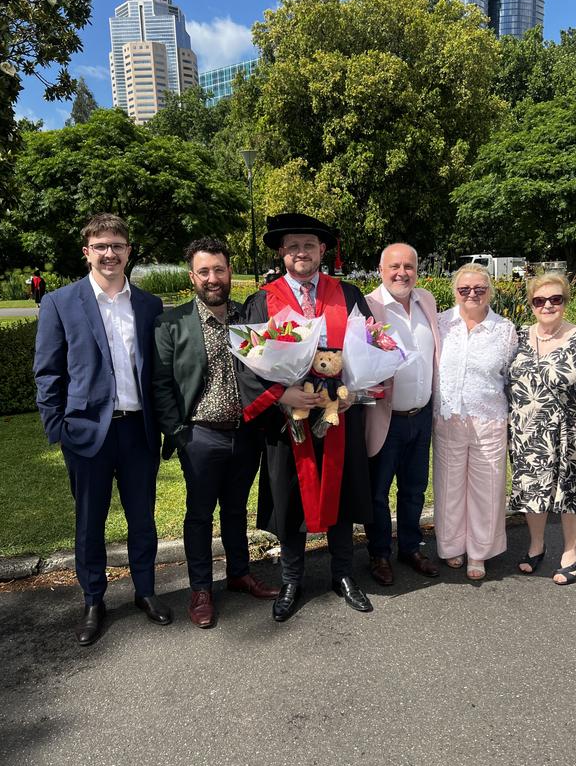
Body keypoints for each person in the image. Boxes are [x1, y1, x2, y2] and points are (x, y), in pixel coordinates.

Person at [33, 213, 171, 646]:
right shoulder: (60, 302)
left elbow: (158, 371)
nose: (109, 253)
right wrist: (58, 428)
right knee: (89, 523)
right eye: (101, 246)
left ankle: (145, 592)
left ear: (129, 251)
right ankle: (94, 600)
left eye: (117, 245)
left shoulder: (148, 305)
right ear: (87, 252)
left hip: (137, 433)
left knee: (142, 520)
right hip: (86, 434)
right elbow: (47, 373)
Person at [237, 212, 374, 622]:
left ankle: (344, 575)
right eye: (294, 246)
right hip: (287, 420)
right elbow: (247, 365)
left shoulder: (346, 293)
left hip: (337, 416)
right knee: (290, 497)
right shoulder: (263, 299)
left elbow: (367, 346)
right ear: (282, 252)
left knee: (342, 489)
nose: (302, 253)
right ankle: (292, 578)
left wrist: (355, 391)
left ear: (322, 251)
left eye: (309, 246)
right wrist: (282, 394)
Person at [152, 238, 279, 629]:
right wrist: (179, 434)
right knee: (200, 515)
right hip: (200, 437)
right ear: (192, 276)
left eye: (219, 270)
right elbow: (160, 385)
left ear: (229, 272)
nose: (212, 278)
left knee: (236, 509)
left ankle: (239, 573)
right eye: (204, 271)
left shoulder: (248, 318)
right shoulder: (172, 323)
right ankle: (201, 589)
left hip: (245, 434)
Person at [508, 272, 576, 585]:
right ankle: (536, 545)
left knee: (570, 492)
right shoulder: (518, 336)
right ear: (531, 304)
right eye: (540, 300)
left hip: (569, 432)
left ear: (565, 301)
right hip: (526, 433)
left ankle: (570, 552)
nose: (547, 305)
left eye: (555, 299)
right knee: (532, 491)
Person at [363, 243, 441, 586]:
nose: (402, 273)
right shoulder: (368, 306)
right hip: (386, 418)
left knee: (414, 489)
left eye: (409, 266)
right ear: (381, 270)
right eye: (394, 266)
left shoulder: (426, 301)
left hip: (420, 416)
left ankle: (410, 546)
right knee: (378, 493)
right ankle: (379, 554)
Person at [433, 264, 517, 580]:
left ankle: (480, 552)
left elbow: (511, 375)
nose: (472, 294)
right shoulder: (441, 323)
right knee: (449, 486)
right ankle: (451, 546)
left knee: (487, 487)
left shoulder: (504, 329)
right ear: (455, 291)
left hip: (490, 418)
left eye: (479, 289)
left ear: (489, 292)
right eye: (464, 289)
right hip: (448, 417)